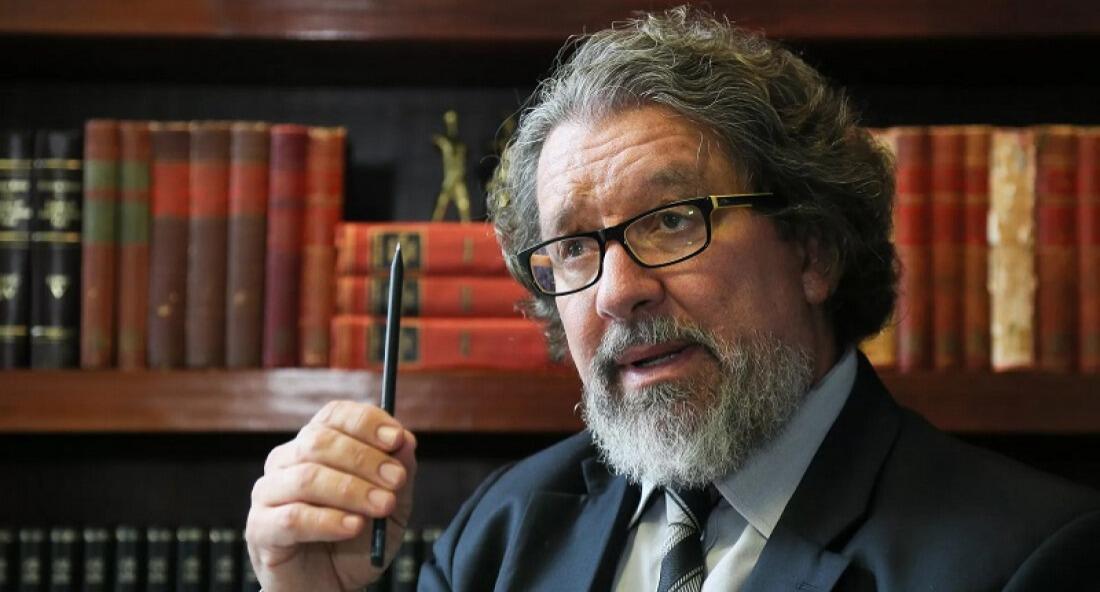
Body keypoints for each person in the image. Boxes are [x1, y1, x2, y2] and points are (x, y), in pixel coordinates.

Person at [245, 7, 1100, 591]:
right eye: (574, 246)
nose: (618, 292)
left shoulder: (1027, 558)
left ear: (812, 248)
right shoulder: (500, 535)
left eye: (671, 220)